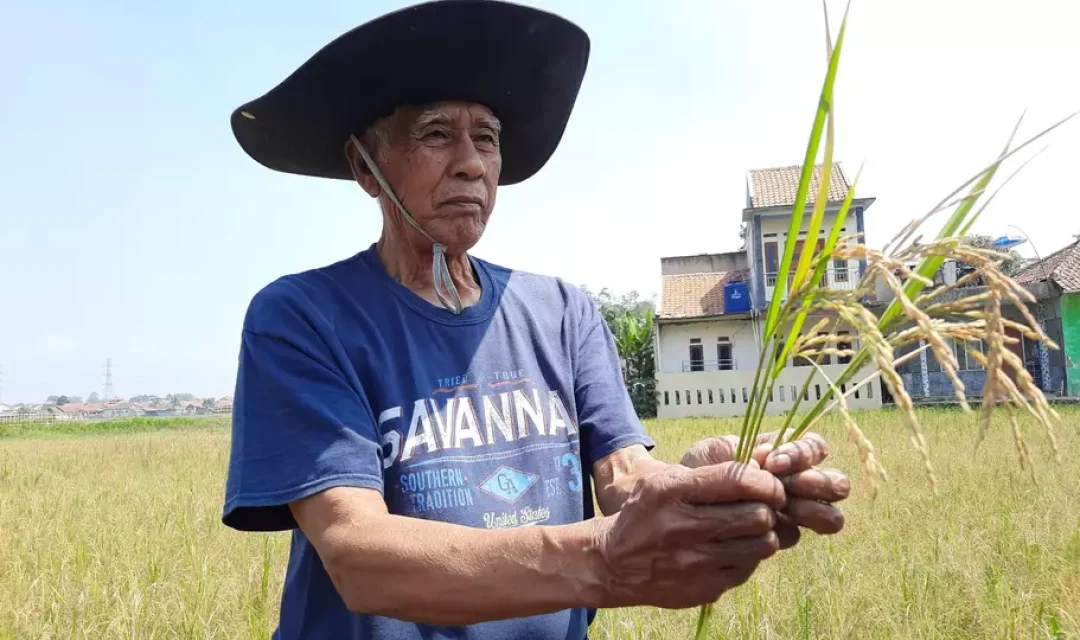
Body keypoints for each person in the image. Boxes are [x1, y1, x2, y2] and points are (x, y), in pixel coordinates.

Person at [221, 1, 851, 638]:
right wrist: (606, 559)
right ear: (366, 167)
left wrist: (701, 487)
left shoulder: (561, 312)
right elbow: (359, 556)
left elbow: (625, 476)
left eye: (487, 138)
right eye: (436, 134)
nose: (471, 162)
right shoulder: (304, 319)